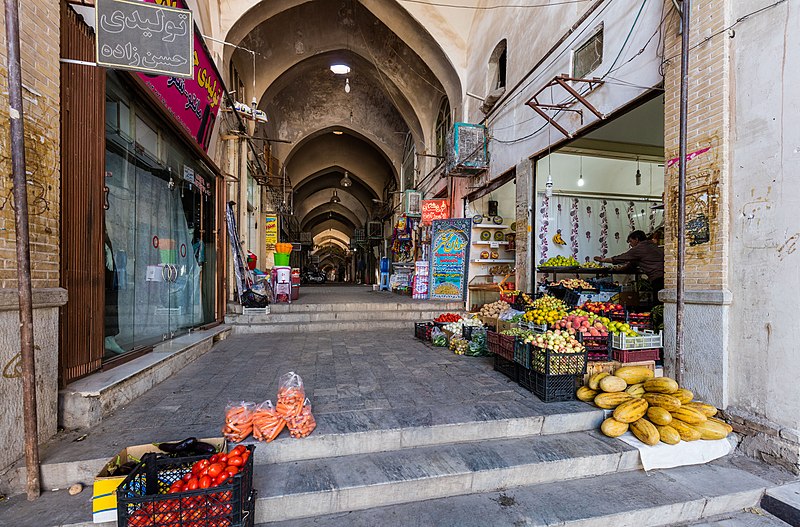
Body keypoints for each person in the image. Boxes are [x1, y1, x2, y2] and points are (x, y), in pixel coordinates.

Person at [594, 230, 664, 292]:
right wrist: (621, 269)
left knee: (659, 301)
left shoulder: (639, 248)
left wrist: (603, 260)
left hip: (657, 277)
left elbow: (621, 258)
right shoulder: (653, 245)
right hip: (665, 276)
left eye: (631, 241)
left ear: (636, 239)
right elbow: (633, 263)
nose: (630, 244)